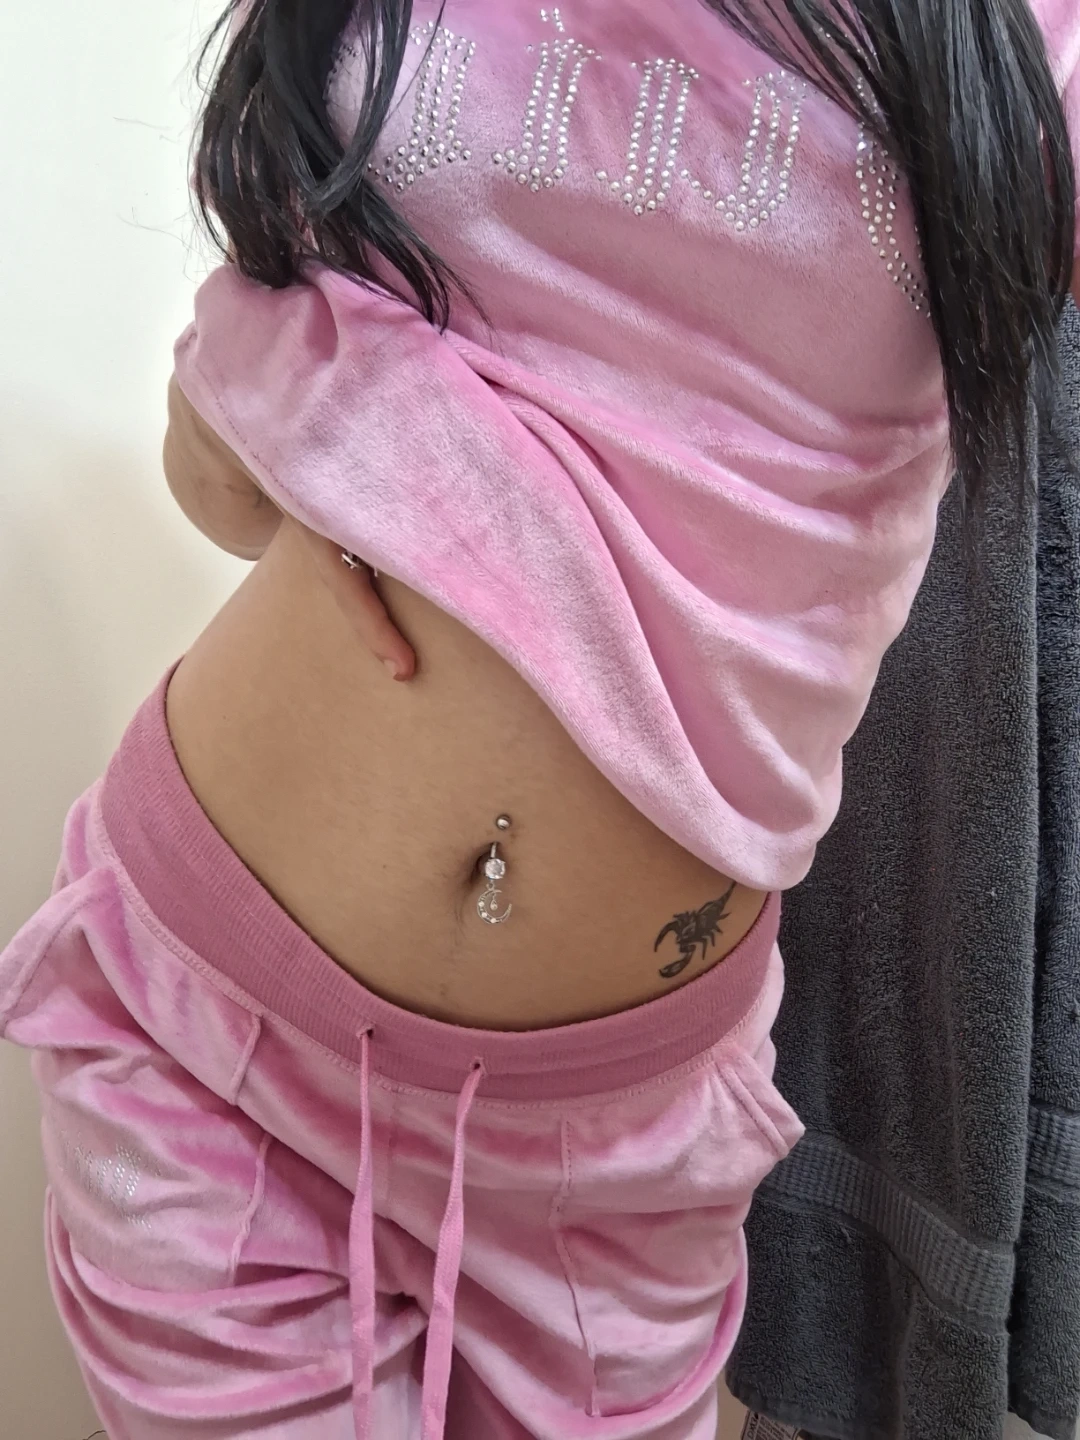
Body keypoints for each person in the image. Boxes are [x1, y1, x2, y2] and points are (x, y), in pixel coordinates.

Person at [2, 1, 1079, 1436]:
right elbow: (217, 479)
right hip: (209, 1031)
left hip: (619, 1143)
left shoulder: (1017, 45)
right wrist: (326, 426)